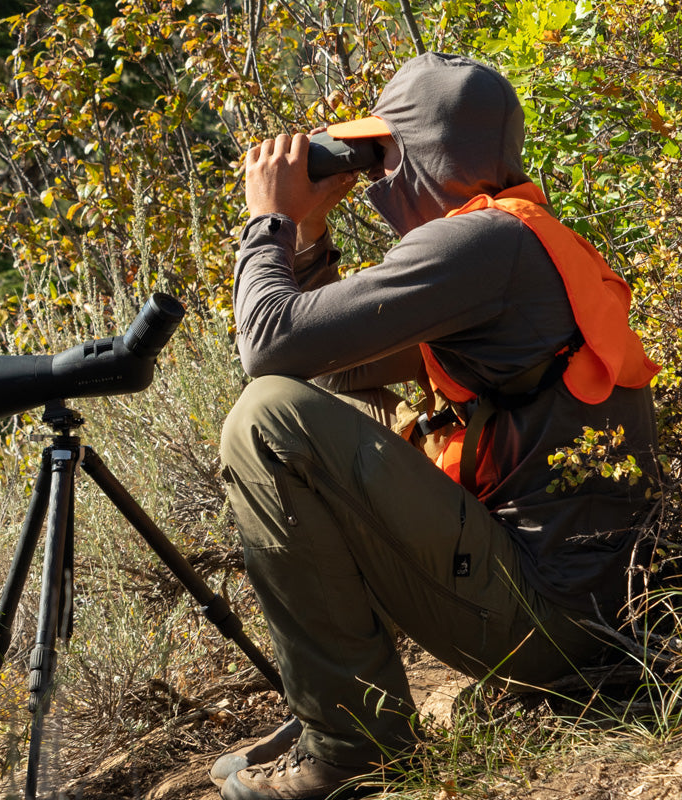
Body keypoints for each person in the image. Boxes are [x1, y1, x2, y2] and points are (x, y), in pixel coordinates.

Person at [211, 52, 660, 800]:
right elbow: (340, 365)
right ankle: (340, 708)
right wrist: (312, 237)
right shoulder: (515, 240)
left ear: (425, 156)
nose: (377, 181)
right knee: (315, 410)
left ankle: (355, 751)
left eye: (385, 157)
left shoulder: (479, 244)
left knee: (265, 422)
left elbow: (269, 347)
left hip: (554, 620)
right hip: (596, 613)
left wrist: (270, 221)